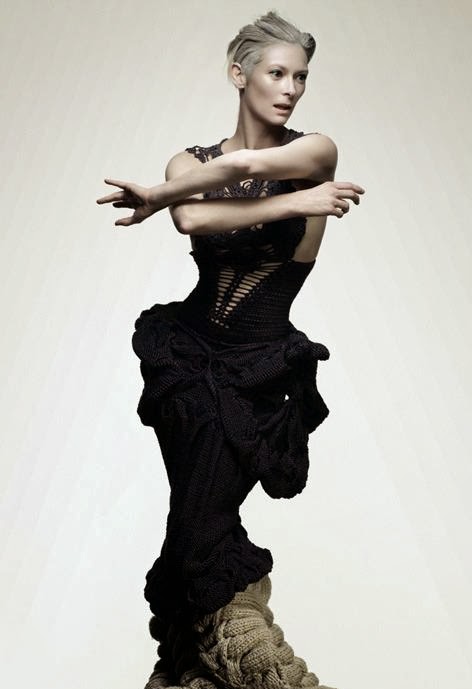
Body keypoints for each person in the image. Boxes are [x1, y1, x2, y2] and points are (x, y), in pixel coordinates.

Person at [96, 11, 365, 626]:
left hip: (258, 366)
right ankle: (190, 661)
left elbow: (243, 170)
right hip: (187, 358)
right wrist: (297, 203)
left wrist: (156, 196)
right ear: (239, 74)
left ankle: (221, 650)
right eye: (277, 73)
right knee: (191, 517)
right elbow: (192, 218)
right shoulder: (185, 163)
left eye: (301, 76)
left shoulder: (315, 150)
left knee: (203, 523)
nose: (291, 89)